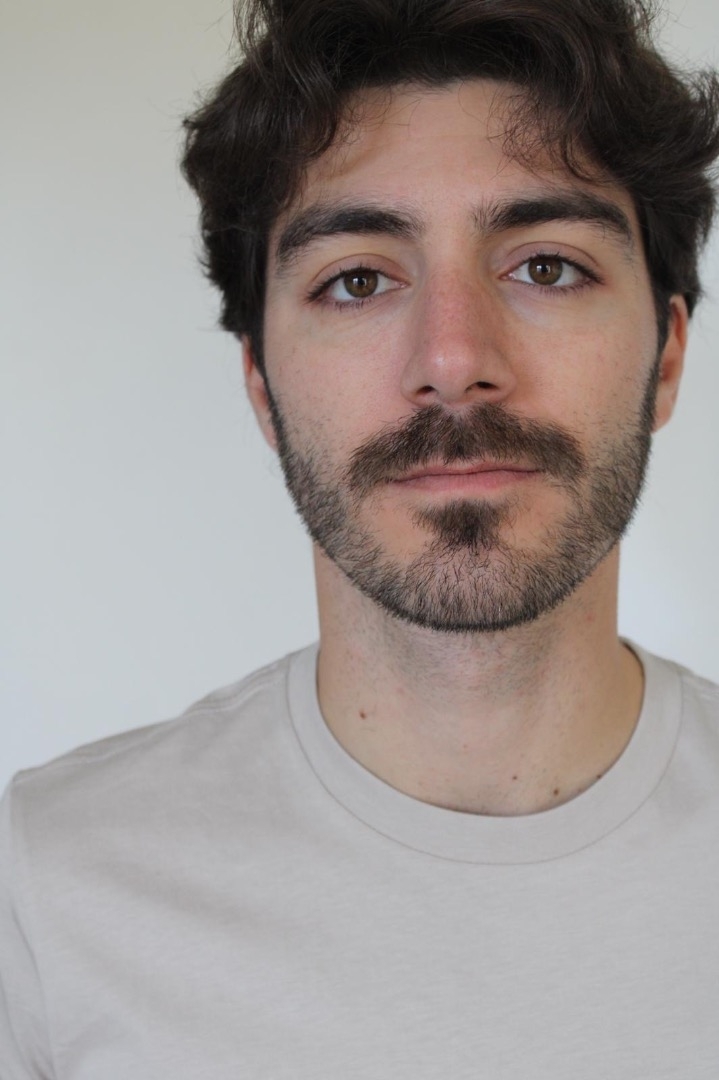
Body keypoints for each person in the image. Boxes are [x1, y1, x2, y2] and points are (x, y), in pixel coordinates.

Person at [2, 0, 719, 1075]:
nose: (452, 360)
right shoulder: (43, 888)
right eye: (357, 280)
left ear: (664, 357)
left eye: (546, 266)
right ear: (262, 386)